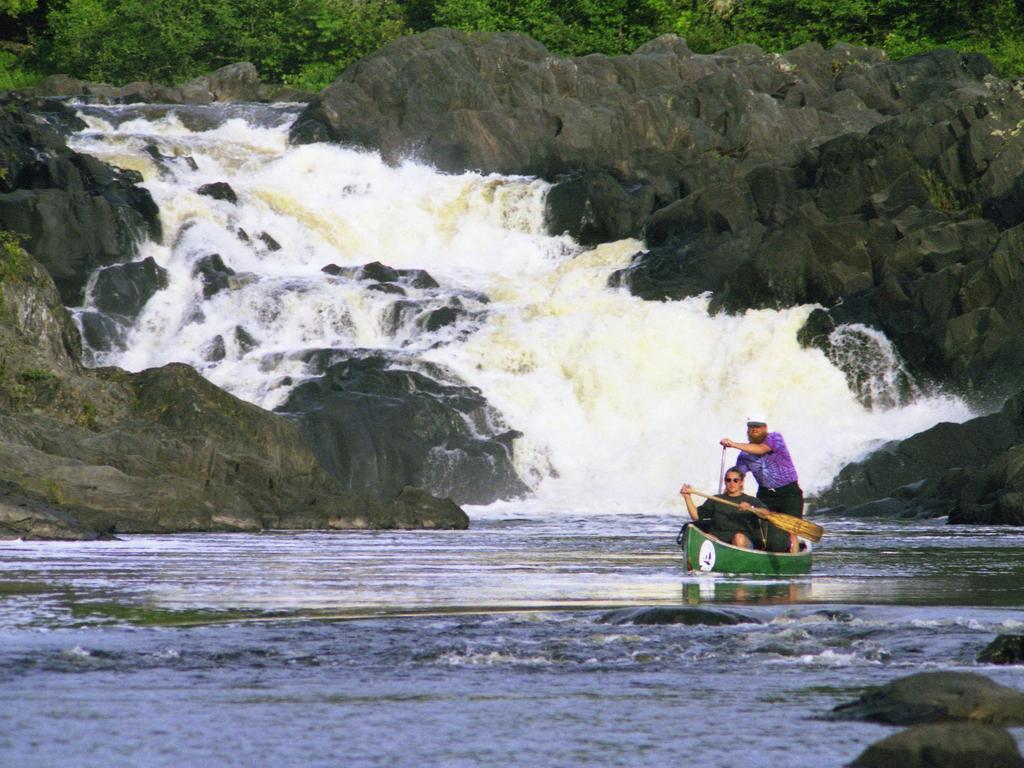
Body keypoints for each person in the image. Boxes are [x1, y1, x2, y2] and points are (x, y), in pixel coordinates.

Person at [720, 413, 803, 553]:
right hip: (765, 496)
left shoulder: (775, 438)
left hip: (789, 494)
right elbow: (736, 477)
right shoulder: (744, 456)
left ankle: (793, 559)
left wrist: (733, 444)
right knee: (763, 532)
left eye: (757, 426)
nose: (754, 429)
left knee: (791, 531)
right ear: (747, 430)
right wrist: (725, 496)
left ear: (765, 428)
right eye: (751, 427)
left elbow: (761, 449)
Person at [680, 467, 768, 550]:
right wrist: (687, 497)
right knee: (706, 538)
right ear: (725, 482)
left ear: (741, 482)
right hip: (719, 539)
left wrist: (751, 508)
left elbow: (767, 513)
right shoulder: (716, 499)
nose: (731, 483)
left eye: (735, 480)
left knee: (738, 538)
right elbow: (696, 517)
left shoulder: (750, 500)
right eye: (728, 480)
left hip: (742, 542)